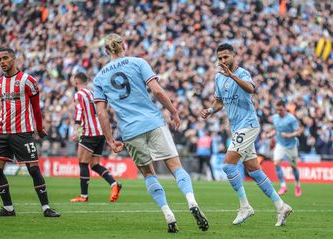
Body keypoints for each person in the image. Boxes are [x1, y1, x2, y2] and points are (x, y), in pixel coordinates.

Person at [93, 33, 209, 233]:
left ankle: (168, 215)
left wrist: (111, 141)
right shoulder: (138, 62)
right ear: (123, 46)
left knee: (148, 174)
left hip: (130, 130)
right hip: (154, 122)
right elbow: (157, 90)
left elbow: (101, 112)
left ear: (106, 50)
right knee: (175, 166)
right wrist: (173, 112)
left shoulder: (100, 77)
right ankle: (191, 202)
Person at [201, 43, 292, 227]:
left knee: (227, 166)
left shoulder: (242, 73)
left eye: (226, 57)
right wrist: (211, 110)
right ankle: (281, 205)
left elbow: (251, 89)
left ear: (234, 56)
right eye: (219, 58)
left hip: (248, 125)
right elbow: (220, 102)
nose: (223, 61)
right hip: (237, 128)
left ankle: (245, 207)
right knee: (254, 170)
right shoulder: (219, 77)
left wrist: (232, 76)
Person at [0, 47, 60, 217]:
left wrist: (40, 128)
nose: (2, 62)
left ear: (14, 58)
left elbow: (36, 107)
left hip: (22, 132)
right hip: (3, 132)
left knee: (33, 170)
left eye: (5, 58)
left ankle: (46, 208)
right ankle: (8, 208)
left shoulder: (27, 80)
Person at [70, 72, 122, 202]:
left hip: (89, 133)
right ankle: (114, 184)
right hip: (101, 132)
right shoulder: (93, 93)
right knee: (94, 165)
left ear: (76, 81)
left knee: (83, 163)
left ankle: (83, 196)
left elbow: (79, 111)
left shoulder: (78, 94)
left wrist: (76, 130)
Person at [266, 100, 302, 197]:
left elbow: (298, 132)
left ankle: (297, 185)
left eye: (280, 110)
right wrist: (271, 134)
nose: (278, 112)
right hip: (280, 144)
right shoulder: (275, 118)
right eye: (277, 110)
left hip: (291, 145)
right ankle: (283, 186)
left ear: (284, 108)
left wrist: (289, 135)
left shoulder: (291, 119)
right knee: (276, 163)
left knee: (293, 166)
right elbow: (276, 129)